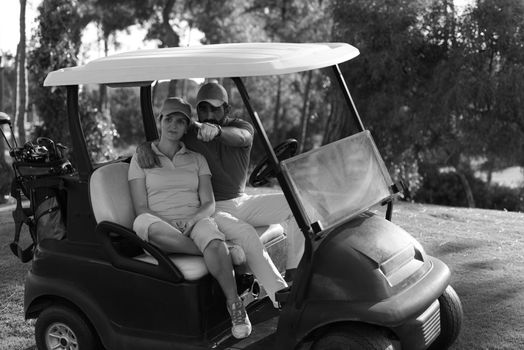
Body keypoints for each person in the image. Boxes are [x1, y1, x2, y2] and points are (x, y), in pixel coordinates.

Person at [129, 97, 277, 339]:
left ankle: (235, 307)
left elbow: (208, 203)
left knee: (212, 238)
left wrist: (193, 220)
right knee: (143, 223)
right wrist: (170, 225)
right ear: (160, 120)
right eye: (169, 119)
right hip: (158, 223)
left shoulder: (197, 159)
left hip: (194, 219)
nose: (173, 126)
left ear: (187, 126)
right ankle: (219, 252)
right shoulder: (142, 157)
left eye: (180, 121)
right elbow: (140, 207)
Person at [137, 82, 304, 283]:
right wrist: (144, 147)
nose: (208, 113)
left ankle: (296, 274)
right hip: (213, 208)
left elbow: (242, 137)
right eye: (203, 108)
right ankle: (279, 295)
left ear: (227, 109)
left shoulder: (241, 127)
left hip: (241, 201)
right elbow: (165, 137)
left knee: (300, 203)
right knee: (247, 234)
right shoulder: (189, 131)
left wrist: (216, 131)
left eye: (215, 108)